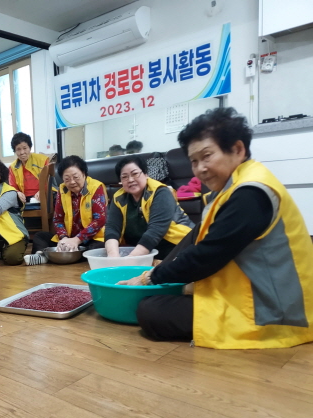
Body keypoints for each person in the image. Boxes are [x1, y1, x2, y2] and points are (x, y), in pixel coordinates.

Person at [119, 107, 313, 349]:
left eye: (207, 156)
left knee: (150, 311)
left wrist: (150, 277)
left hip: (274, 310)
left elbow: (206, 256)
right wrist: (155, 272)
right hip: (244, 288)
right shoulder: (231, 187)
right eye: (194, 161)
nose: (200, 168)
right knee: (164, 289)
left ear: (238, 149)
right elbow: (196, 238)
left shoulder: (250, 193)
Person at [105, 155, 194, 260]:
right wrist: (113, 257)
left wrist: (130, 260)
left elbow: (156, 231)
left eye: (135, 174)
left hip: (177, 248)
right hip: (142, 252)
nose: (130, 180)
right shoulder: (118, 198)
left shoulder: (161, 192)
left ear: (145, 174)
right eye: (124, 177)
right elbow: (112, 228)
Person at [26, 155, 107, 266]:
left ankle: (54, 256)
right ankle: (41, 256)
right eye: (67, 179)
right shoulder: (62, 189)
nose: (72, 182)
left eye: (76, 177)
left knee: (99, 247)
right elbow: (57, 219)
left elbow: (100, 220)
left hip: (92, 238)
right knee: (40, 236)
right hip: (69, 238)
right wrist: (63, 238)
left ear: (84, 174)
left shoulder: (96, 187)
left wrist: (77, 240)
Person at [8, 132, 54, 203]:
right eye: (18, 149)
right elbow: (12, 187)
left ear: (30, 148)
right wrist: (17, 193)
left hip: (42, 195)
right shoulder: (13, 167)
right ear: (15, 151)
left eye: (25, 148)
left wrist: (42, 191)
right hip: (24, 199)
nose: (22, 152)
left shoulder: (42, 160)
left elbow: (50, 181)